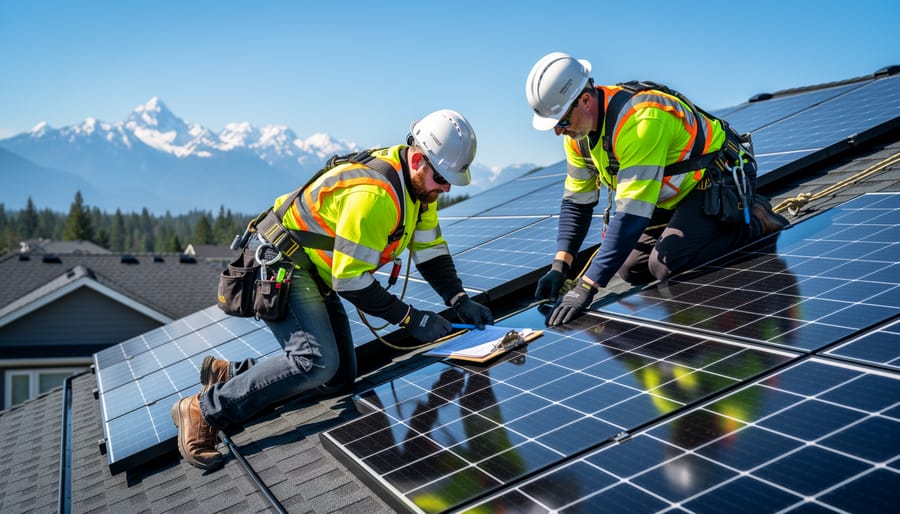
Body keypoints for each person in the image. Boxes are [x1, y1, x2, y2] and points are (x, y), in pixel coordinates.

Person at [172, 109, 494, 470]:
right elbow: (350, 281)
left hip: (314, 267)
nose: (446, 187)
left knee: (339, 378)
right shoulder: (377, 197)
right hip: (284, 261)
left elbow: (430, 250)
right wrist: (410, 318)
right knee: (315, 363)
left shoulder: (418, 193)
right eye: (441, 178)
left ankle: (231, 374)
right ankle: (206, 409)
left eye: (450, 180)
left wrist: (458, 299)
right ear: (418, 159)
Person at [525, 52, 789, 326]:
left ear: (585, 100)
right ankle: (695, 229)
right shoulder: (577, 137)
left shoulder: (640, 120)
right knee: (629, 269)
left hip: (717, 179)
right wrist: (560, 267)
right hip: (671, 198)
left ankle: (753, 221)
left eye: (561, 122)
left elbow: (630, 215)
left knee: (666, 265)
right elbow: (577, 204)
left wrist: (586, 287)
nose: (558, 131)